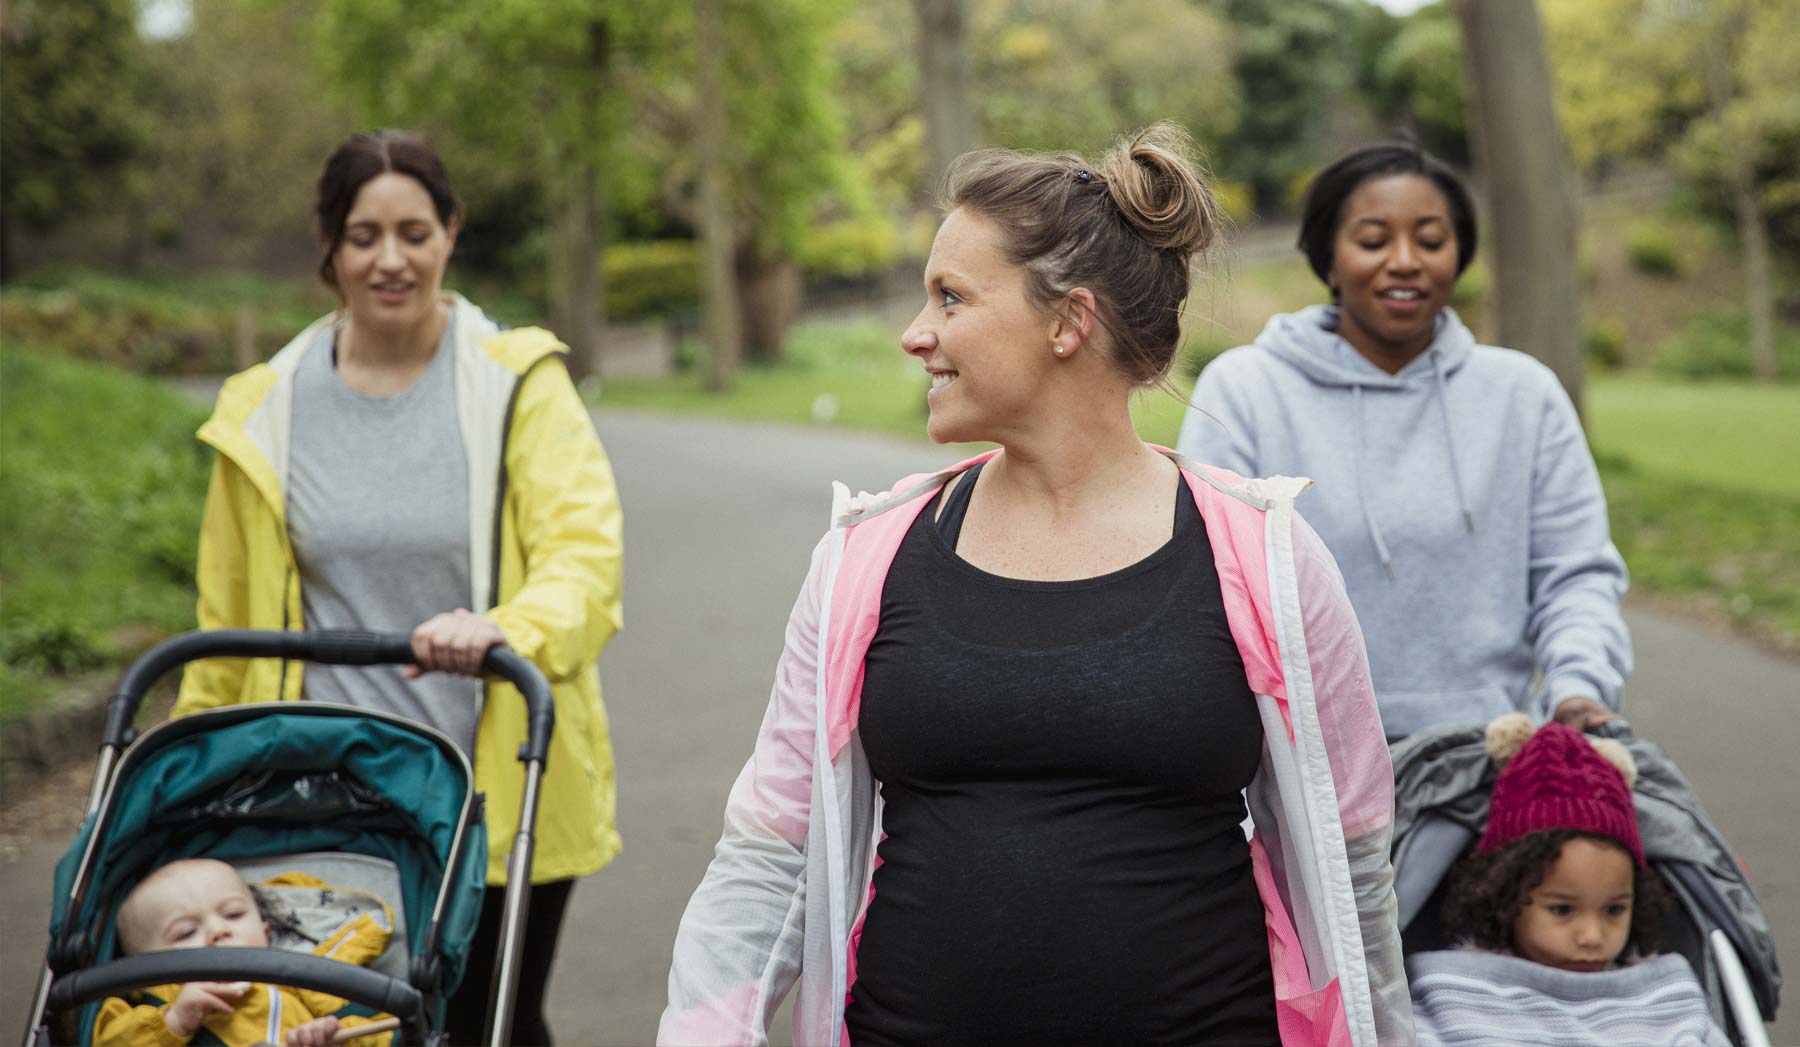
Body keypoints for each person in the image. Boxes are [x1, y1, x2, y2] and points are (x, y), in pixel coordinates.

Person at [659, 123, 1410, 1047]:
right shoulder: (866, 557)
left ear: (1069, 320)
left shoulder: (1268, 561)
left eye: (951, 297)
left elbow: (1353, 865)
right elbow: (771, 854)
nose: (915, 333)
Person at [173, 130, 624, 1045]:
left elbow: (585, 559)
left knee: (487, 1022)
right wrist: (186, 787)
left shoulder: (517, 384)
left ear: (450, 233)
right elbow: (224, 625)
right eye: (364, 235)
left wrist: (504, 630)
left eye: (414, 232)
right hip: (317, 798)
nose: (391, 260)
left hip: (494, 784)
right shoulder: (264, 408)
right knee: (329, 1026)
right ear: (330, 246)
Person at [1176, 142, 1631, 741]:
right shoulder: (1245, 390)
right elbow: (1209, 587)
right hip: (1309, 769)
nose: (1405, 261)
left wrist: (1579, 690)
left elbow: (1574, 575)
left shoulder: (1524, 395)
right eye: (1372, 240)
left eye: (1431, 240)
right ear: (1329, 258)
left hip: (1494, 751)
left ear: (1459, 255)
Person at [1405, 716, 1730, 1046]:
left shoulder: (1667, 1000)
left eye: (1614, 909)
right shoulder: (1451, 996)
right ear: (1504, 897)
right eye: (1562, 909)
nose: (1592, 937)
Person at [96, 859, 393, 1047]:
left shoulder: (303, 981)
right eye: (186, 932)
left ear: (266, 933)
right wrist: (174, 1022)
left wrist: (335, 1036)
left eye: (234, 915)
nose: (218, 931)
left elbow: (387, 1033)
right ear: (144, 968)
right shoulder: (149, 1007)